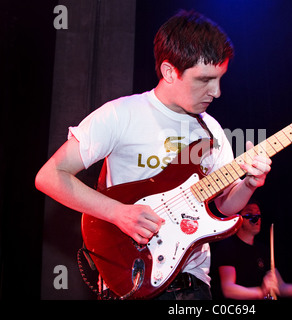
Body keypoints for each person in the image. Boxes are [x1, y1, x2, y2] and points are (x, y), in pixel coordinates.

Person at [35, 10, 271, 300]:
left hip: (194, 284)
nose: (217, 92)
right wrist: (118, 213)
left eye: (220, 79)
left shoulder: (212, 131)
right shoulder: (121, 115)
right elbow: (49, 177)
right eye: (205, 80)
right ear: (170, 71)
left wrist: (248, 183)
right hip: (131, 276)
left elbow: (223, 208)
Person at [210, 201, 292, 300]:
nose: (256, 219)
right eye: (250, 214)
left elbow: (280, 287)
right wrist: (261, 292)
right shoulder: (228, 246)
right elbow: (228, 289)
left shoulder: (263, 250)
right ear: (238, 219)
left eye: (258, 215)